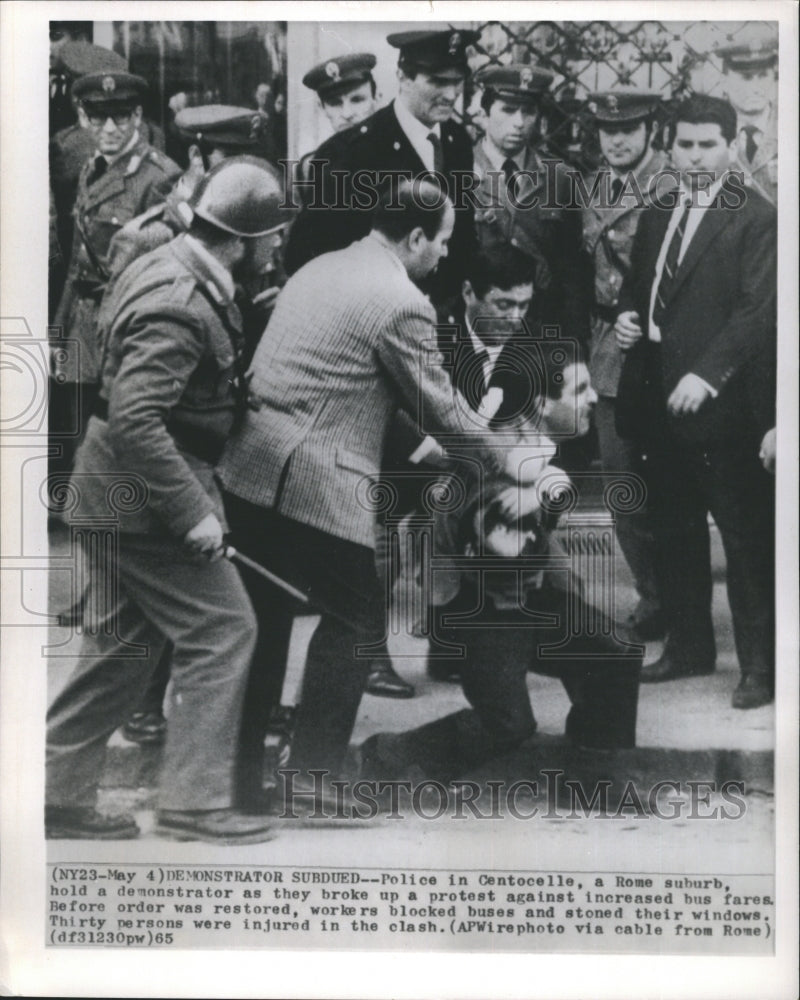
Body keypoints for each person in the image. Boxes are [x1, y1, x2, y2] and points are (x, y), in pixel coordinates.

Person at [218, 180, 528, 810]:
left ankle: (241, 776)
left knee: (268, 620)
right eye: (440, 241)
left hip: (251, 471)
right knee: (359, 618)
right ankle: (311, 776)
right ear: (414, 237)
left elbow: (346, 379)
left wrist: (425, 453)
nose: (444, 255)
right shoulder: (398, 301)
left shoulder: (321, 267)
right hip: (315, 476)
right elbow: (441, 407)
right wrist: (513, 461)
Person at [45, 159, 286, 843]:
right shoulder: (181, 300)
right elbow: (138, 420)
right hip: (144, 499)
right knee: (223, 628)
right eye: (272, 235)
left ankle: (54, 793)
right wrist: (194, 515)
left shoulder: (178, 265)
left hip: (116, 492)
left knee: (124, 643)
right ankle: (195, 802)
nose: (277, 246)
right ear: (240, 240)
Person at [361, 345, 641, 783]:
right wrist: (537, 503)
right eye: (579, 389)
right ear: (540, 404)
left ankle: (593, 780)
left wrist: (547, 497)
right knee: (507, 724)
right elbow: (503, 558)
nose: (591, 399)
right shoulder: (498, 457)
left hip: (522, 599)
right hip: (481, 611)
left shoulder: (531, 443)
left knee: (615, 656)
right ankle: (386, 759)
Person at [614, 95, 776, 710]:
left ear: (731, 146)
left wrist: (708, 375)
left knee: (743, 536)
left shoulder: (757, 218)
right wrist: (631, 319)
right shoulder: (658, 212)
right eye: (684, 144)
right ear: (669, 146)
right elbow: (642, 287)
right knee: (674, 528)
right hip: (657, 395)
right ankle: (688, 648)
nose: (695, 156)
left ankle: (759, 668)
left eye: (708, 144)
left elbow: (758, 312)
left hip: (725, 406)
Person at [283, 28, 480, 309]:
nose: (450, 94)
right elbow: (309, 256)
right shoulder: (349, 152)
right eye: (437, 81)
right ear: (403, 77)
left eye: (457, 81)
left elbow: (463, 236)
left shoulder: (456, 139)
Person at [51, 70, 181, 472]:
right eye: (97, 117)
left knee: (109, 435)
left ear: (138, 116)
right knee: (73, 428)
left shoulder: (159, 177)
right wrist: (57, 334)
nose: (108, 128)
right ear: (84, 117)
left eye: (120, 117)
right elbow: (77, 263)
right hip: (83, 324)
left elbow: (159, 271)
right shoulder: (93, 167)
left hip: (122, 325)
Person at [582, 89, 668, 642]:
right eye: (608, 130)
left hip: (661, 354)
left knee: (673, 486)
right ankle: (653, 595)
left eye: (629, 129)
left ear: (650, 132)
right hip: (609, 353)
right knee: (622, 484)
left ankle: (676, 599)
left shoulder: (673, 184)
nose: (616, 139)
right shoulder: (591, 186)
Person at [470, 63, 591, 349]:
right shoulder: (455, 171)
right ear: (485, 115)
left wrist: (571, 344)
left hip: (539, 332)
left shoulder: (559, 177)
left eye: (528, 111)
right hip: (475, 331)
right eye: (508, 110)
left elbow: (573, 270)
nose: (519, 122)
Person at [717, 38, 778, 206]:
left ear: (774, 79)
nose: (755, 87)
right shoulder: (710, 129)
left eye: (763, 76)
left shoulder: (791, 125)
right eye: (746, 77)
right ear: (724, 82)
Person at [301, 52, 378, 137]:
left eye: (357, 100)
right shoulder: (324, 150)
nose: (347, 114)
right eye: (335, 103)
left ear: (376, 99)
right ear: (322, 108)